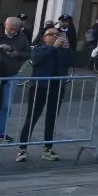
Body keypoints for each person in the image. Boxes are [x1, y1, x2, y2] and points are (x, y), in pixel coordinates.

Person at [15, 26, 75, 161]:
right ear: (44, 37)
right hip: (40, 87)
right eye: (51, 34)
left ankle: (48, 149)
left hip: (56, 86)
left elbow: (71, 62)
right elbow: (36, 60)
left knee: (51, 118)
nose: (55, 36)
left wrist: (67, 49)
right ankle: (22, 149)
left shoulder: (62, 50)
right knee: (32, 118)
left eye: (57, 34)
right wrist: (53, 47)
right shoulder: (39, 49)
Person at [0, 15, 29, 142]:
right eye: (10, 29)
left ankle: (0, 132)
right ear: (5, 25)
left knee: (7, 105)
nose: (12, 32)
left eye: (15, 30)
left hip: (12, 74)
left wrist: (15, 52)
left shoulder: (22, 36)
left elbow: (28, 53)